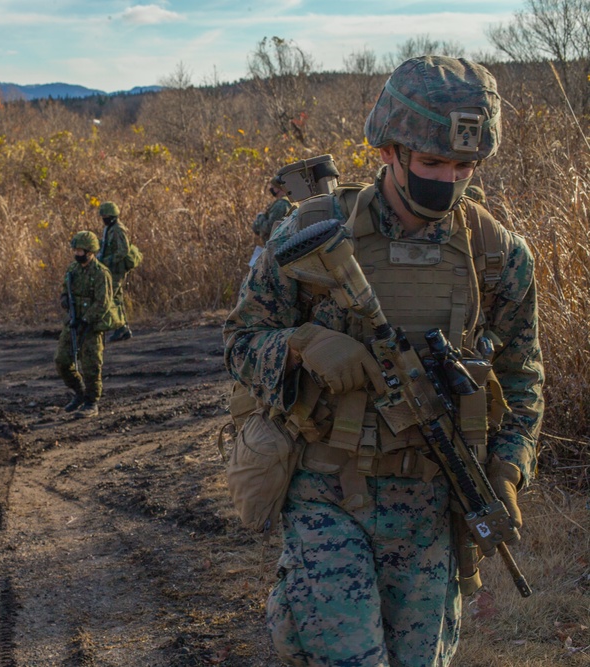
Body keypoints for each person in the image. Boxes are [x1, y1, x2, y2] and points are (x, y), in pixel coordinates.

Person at [223, 56, 544, 667]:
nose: (448, 181)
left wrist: (508, 467)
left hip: (431, 505)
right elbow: (240, 342)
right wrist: (304, 345)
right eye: (431, 163)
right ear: (390, 150)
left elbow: (523, 376)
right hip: (326, 494)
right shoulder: (311, 231)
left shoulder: (496, 254)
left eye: (464, 166)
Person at [56, 231, 119, 417]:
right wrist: (65, 300)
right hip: (74, 323)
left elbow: (103, 302)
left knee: (91, 364)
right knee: (62, 361)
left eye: (80, 250)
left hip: (91, 325)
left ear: (90, 251)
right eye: (75, 250)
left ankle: (91, 402)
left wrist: (86, 320)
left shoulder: (101, 273)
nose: (77, 253)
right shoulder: (72, 269)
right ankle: (79, 392)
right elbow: (64, 289)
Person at [96, 201, 133, 341]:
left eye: (105, 215)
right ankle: (123, 328)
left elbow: (124, 250)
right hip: (110, 269)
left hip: (116, 269)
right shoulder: (109, 229)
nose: (103, 218)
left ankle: (120, 328)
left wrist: (108, 261)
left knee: (110, 298)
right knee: (116, 298)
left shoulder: (118, 229)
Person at [249, 180, 295, 267]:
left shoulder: (281, 204)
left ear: (279, 188)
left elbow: (270, 228)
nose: (271, 189)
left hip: (277, 249)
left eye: (273, 187)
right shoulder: (292, 200)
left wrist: (260, 217)